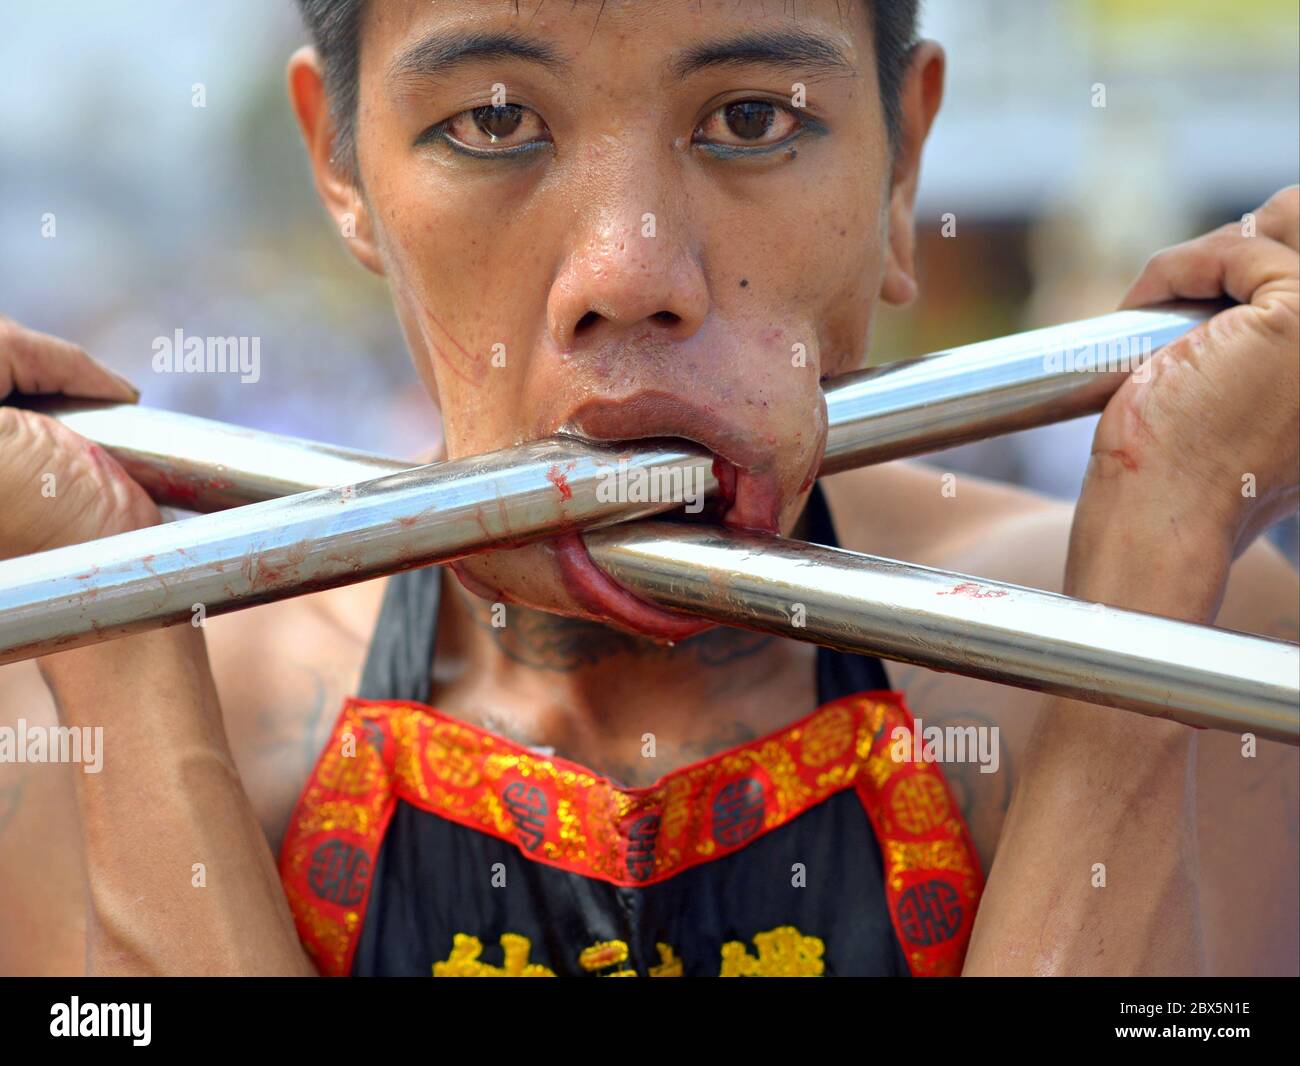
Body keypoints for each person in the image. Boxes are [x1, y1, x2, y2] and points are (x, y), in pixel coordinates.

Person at [0, 0, 1296, 977]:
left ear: (903, 168)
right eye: (494, 123)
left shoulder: (1195, 636)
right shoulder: (98, 689)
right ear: (341, 166)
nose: (629, 271)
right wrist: (113, 650)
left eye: (754, 118)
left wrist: (1165, 546)